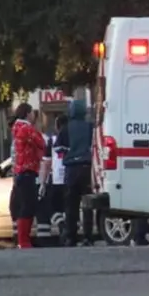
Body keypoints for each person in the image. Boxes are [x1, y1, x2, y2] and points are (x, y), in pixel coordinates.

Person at [57, 99, 97, 246]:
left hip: (71, 170)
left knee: (71, 206)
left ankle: (71, 237)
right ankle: (88, 236)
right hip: (87, 169)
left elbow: (58, 149)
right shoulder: (90, 127)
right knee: (87, 205)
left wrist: (69, 153)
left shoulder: (66, 128)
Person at [10, 103, 46, 249]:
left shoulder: (17, 128)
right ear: (27, 113)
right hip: (27, 171)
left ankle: (23, 239)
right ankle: (23, 240)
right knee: (27, 206)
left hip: (22, 172)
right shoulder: (26, 129)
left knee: (26, 205)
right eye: (32, 112)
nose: (34, 115)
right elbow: (41, 142)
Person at [36, 114, 69, 245]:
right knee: (68, 208)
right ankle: (68, 233)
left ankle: (61, 224)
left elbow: (47, 163)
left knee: (52, 207)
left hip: (56, 181)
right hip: (69, 179)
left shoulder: (53, 140)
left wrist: (43, 183)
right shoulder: (74, 138)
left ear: (57, 126)